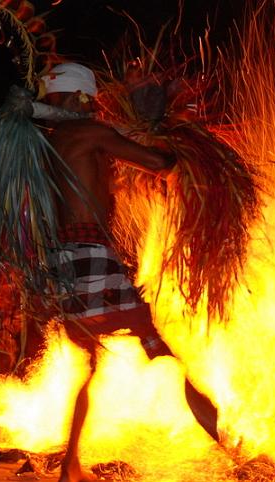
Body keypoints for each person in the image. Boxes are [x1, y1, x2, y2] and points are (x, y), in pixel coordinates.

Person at [40, 63, 218, 482]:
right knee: (158, 346)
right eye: (90, 99)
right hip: (89, 255)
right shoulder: (88, 133)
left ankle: (70, 468)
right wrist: (181, 147)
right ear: (82, 99)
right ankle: (222, 433)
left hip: (64, 258)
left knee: (90, 363)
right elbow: (157, 162)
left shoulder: (53, 140)